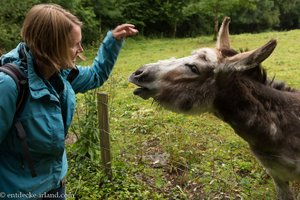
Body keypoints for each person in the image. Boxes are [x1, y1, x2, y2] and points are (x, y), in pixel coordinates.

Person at [0, 3, 138, 199]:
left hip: (55, 186)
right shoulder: (8, 85)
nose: (80, 50)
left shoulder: (60, 74)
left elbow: (95, 76)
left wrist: (113, 41)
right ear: (51, 46)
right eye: (74, 44)